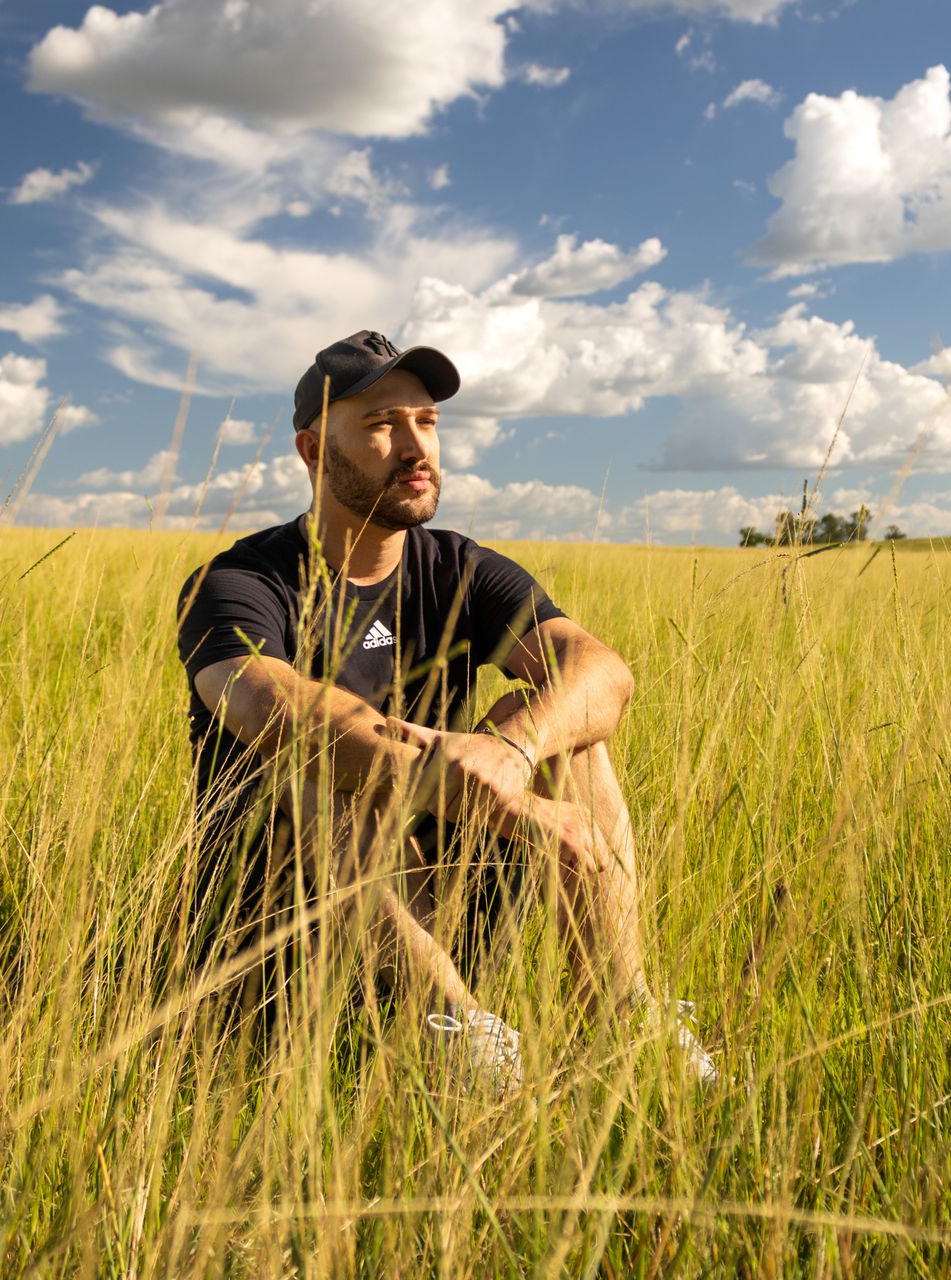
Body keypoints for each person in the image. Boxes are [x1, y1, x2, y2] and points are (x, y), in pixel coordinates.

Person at [174, 329, 714, 1095]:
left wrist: (513, 750)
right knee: (318, 762)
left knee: (566, 729)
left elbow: (602, 672)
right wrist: (479, 791)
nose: (415, 446)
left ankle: (622, 1018)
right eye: (381, 424)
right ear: (312, 451)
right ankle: (456, 1033)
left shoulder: (458, 567)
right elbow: (273, 706)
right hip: (284, 925)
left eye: (426, 421)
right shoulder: (240, 581)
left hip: (435, 891)